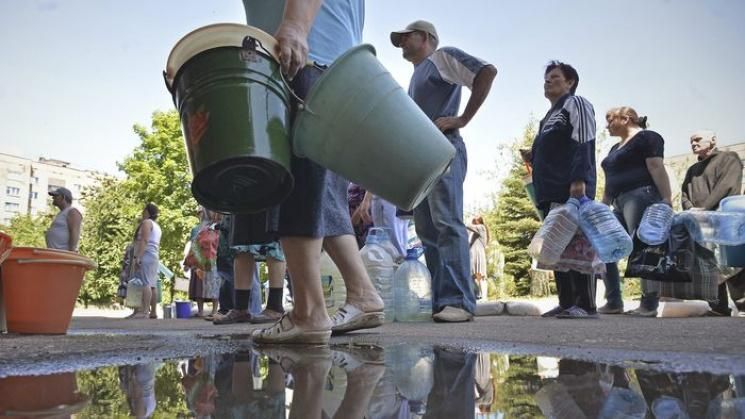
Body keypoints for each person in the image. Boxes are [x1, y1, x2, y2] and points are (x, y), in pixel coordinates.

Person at [247, 0, 384, 344]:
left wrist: (294, 24)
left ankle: (308, 311)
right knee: (324, 195)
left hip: (305, 58)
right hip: (338, 68)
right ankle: (363, 294)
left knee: (296, 181)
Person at [390, 20, 497, 322]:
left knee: (446, 222)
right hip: (421, 158)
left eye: (406, 37)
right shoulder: (416, 77)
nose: (401, 43)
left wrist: (461, 119)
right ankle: (441, 301)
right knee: (426, 229)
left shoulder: (441, 58)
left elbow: (486, 72)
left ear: (425, 37)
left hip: (443, 149)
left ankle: (459, 302)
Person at [526, 61, 598, 319]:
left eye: (554, 77)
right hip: (549, 191)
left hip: (572, 188)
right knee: (557, 244)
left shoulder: (576, 103)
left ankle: (586, 304)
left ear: (570, 82)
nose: (547, 82)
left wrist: (580, 179)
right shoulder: (548, 117)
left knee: (578, 243)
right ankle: (567, 302)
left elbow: (583, 140)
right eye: (545, 78)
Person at [598, 107, 673, 316]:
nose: (606, 125)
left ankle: (648, 304)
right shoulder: (614, 149)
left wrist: (666, 199)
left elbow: (656, 167)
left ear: (626, 118)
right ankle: (613, 301)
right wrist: (603, 206)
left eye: (610, 119)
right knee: (605, 243)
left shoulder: (647, 138)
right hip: (617, 201)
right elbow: (610, 180)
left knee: (644, 247)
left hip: (641, 195)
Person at [682, 130, 745, 316]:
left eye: (698, 139)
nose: (693, 143)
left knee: (730, 262)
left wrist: (706, 209)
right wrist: (690, 210)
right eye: (691, 141)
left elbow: (727, 186)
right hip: (699, 222)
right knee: (707, 263)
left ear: (713, 140)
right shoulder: (692, 170)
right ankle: (717, 307)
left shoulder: (729, 158)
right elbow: (684, 193)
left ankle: (742, 305)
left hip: (722, 219)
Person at [128, 203, 162, 319]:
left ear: (147, 212)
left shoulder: (147, 223)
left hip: (146, 254)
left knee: (144, 282)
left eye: (144, 211)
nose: (142, 213)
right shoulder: (157, 226)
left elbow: (144, 240)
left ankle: (144, 311)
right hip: (153, 255)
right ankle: (153, 312)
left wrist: (138, 256)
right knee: (152, 284)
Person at [45, 186, 82, 252]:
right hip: (55, 254)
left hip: (64, 255)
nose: (53, 197)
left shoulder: (72, 211)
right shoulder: (61, 213)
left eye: (56, 196)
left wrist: (71, 252)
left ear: (63, 197)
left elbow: (74, 231)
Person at [467, 216, 489, 300]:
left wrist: (470, 219)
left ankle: (484, 296)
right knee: (473, 276)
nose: (473, 219)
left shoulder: (481, 227)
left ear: (479, 220)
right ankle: (477, 295)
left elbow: (468, 225)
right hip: (473, 255)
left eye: (475, 218)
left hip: (478, 254)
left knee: (480, 275)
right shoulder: (475, 231)